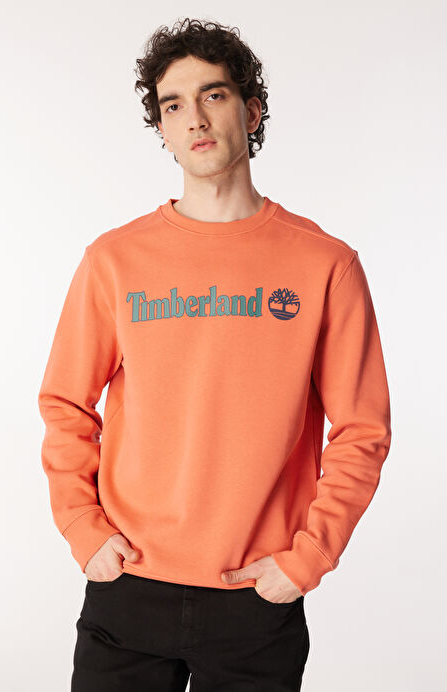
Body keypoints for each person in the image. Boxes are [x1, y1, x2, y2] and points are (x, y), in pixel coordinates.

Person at [38, 17, 392, 692]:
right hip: (128, 582)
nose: (195, 118)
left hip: (256, 597)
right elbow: (64, 404)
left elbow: (362, 430)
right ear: (162, 129)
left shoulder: (325, 264)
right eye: (173, 105)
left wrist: (308, 558)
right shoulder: (114, 261)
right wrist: (83, 528)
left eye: (214, 95)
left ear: (251, 112)